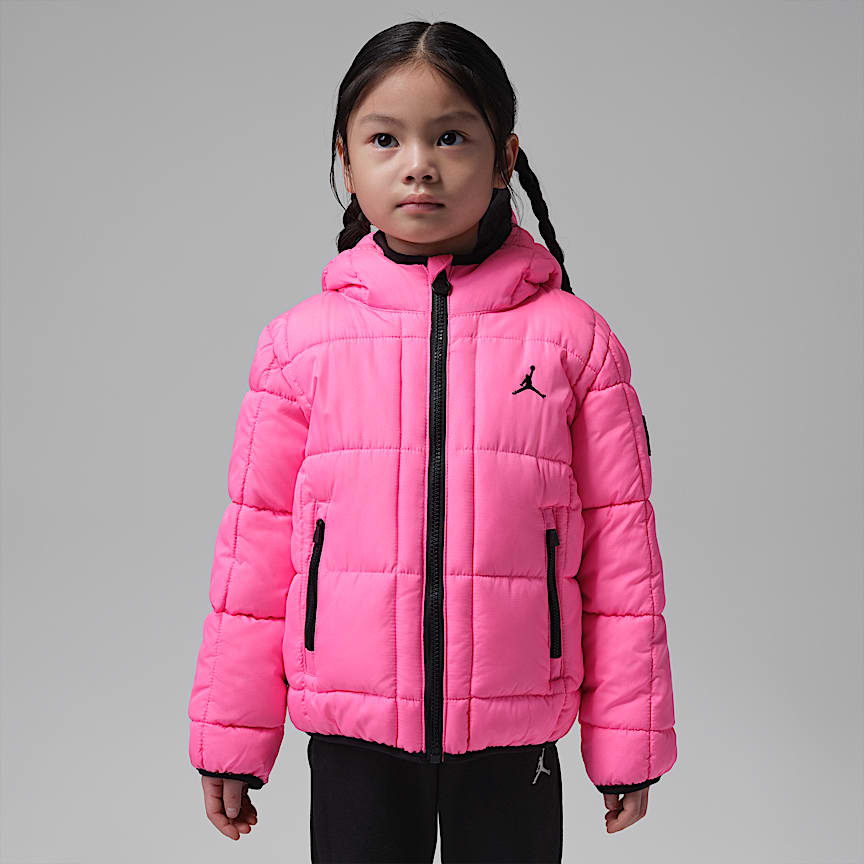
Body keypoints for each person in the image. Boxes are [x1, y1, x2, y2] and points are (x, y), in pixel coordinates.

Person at [187, 19, 677, 861]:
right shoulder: (299, 346)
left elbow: (622, 557)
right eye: (385, 139)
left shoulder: (574, 343)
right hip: (354, 731)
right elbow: (255, 553)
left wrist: (625, 738)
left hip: (515, 734)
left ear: (505, 157)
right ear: (346, 161)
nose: (418, 164)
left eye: (450, 136)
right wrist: (232, 735)